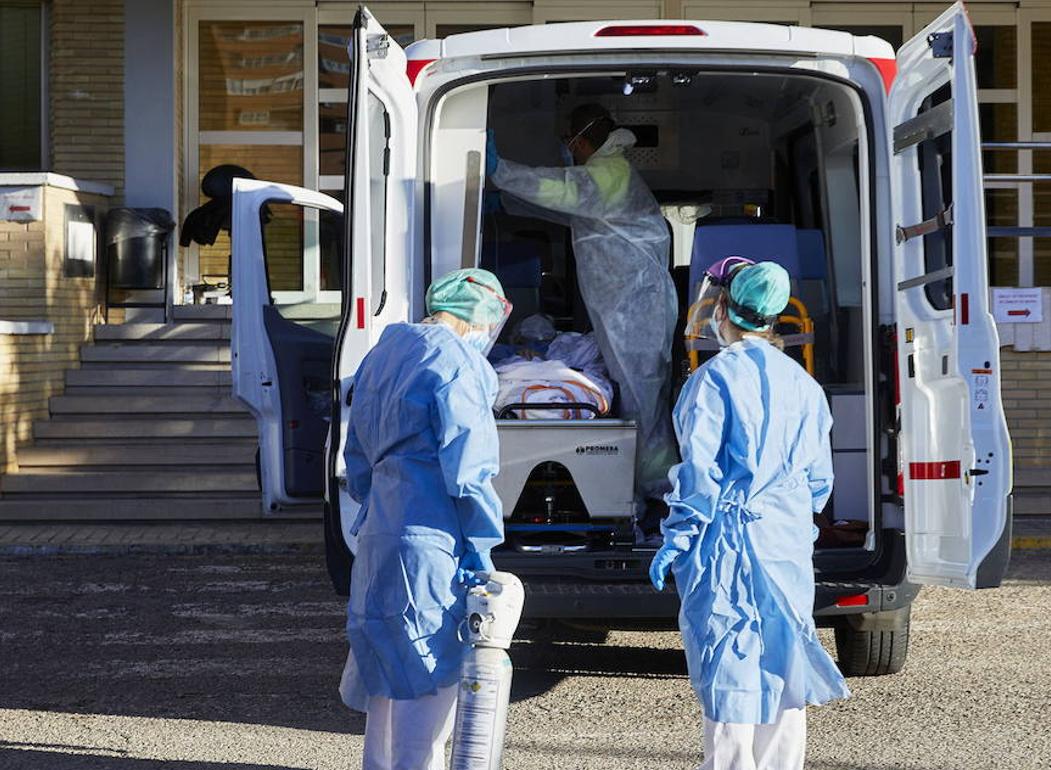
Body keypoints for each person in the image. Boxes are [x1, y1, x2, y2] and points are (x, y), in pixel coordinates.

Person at [649, 261, 850, 770]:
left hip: (726, 545)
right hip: (784, 543)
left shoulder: (712, 381)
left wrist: (678, 535)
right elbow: (817, 483)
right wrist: (793, 523)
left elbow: (699, 475)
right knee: (784, 669)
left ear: (720, 309)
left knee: (729, 667)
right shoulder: (804, 386)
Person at [338, 268, 511, 770]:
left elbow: (358, 455)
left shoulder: (384, 354)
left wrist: (381, 503)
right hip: (432, 536)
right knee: (426, 678)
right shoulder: (458, 363)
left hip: (379, 531)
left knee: (386, 683)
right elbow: (469, 469)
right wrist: (482, 543)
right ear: (479, 315)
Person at [486, 104, 679, 539]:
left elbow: (564, 191)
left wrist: (503, 172)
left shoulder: (609, 173)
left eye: (569, 140)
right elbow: (565, 208)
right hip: (626, 308)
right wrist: (509, 198)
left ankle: (660, 494)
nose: (567, 149)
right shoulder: (607, 180)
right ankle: (642, 488)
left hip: (636, 309)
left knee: (642, 399)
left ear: (582, 138)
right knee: (636, 396)